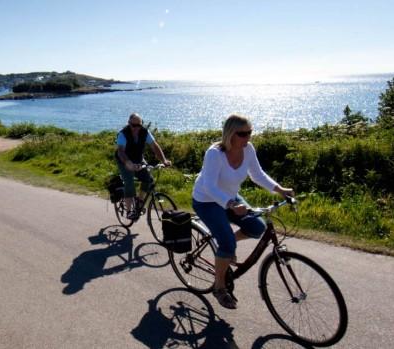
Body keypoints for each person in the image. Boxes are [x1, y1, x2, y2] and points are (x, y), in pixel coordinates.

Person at [191, 114, 294, 309]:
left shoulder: (248, 149)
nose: (248, 137)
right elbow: (210, 186)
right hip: (207, 200)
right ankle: (219, 287)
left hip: (230, 197)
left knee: (257, 227)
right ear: (230, 134)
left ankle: (223, 245)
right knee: (228, 243)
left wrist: (281, 190)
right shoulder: (214, 153)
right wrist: (230, 204)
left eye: (250, 132)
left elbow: (258, 175)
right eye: (242, 133)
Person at [116, 113, 171, 220]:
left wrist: (164, 160)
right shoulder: (123, 134)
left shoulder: (145, 132)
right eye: (133, 125)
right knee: (129, 182)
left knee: (148, 180)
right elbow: (121, 151)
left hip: (138, 159)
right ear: (129, 123)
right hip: (124, 160)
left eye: (139, 125)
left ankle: (139, 202)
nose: (136, 128)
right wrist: (128, 164)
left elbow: (155, 146)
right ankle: (129, 211)